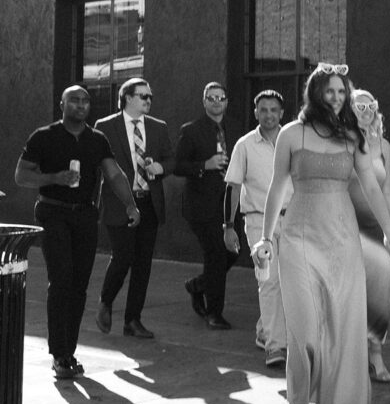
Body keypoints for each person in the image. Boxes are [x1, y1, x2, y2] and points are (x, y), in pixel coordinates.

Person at [252, 62, 390, 404]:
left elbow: (371, 186)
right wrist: (266, 237)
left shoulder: (353, 135)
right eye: (330, 92)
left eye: (341, 92)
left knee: (337, 330)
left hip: (342, 239)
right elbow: (276, 188)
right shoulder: (291, 133)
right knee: (303, 329)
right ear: (315, 94)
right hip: (299, 236)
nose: (336, 98)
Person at [15, 85, 141, 379]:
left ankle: (69, 352)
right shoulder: (44, 136)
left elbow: (114, 174)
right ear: (62, 104)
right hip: (52, 211)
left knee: (79, 284)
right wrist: (54, 177)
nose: (81, 105)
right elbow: (21, 175)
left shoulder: (96, 139)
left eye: (85, 100)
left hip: (85, 214)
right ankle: (58, 354)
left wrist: (131, 206)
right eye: (74, 100)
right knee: (61, 279)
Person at [94, 78, 173, 339]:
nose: (148, 101)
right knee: (124, 256)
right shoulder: (105, 127)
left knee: (143, 264)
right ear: (127, 97)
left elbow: (171, 160)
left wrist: (161, 167)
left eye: (150, 97)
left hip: (148, 201)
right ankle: (106, 301)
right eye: (143, 96)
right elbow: (98, 168)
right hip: (119, 202)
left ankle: (133, 320)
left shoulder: (158, 128)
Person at [223, 89, 292, 367]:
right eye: (263, 110)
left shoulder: (293, 141)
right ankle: (276, 347)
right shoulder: (245, 145)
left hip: (293, 220)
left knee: (290, 282)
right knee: (268, 281)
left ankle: (266, 329)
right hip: (257, 222)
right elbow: (233, 185)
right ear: (255, 113)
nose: (269, 115)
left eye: (274, 110)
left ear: (282, 113)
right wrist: (228, 226)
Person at [174, 82, 238, 330]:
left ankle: (199, 285)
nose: (216, 102)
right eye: (211, 98)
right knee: (216, 255)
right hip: (201, 206)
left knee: (233, 252)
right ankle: (214, 313)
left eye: (220, 97)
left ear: (226, 101)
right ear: (204, 101)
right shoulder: (191, 131)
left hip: (230, 203)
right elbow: (178, 166)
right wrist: (205, 165)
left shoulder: (236, 127)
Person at [347, 89, 390, 382]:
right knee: (348, 292)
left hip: (375, 228)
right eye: (359, 105)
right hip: (344, 225)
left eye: (371, 105)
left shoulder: (383, 146)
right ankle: (349, 355)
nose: (366, 110)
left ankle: (375, 354)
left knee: (379, 294)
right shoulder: (340, 141)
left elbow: (388, 188)